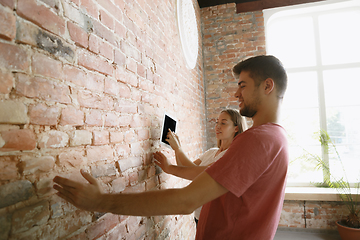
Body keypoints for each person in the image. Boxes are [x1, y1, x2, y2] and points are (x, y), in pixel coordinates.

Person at [53, 55, 289, 240]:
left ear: (267, 86)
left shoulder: (259, 139)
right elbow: (201, 174)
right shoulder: (276, 138)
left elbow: (186, 201)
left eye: (243, 85)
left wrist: (100, 201)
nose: (236, 93)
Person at [154, 109, 245, 224]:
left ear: (236, 128)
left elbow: (199, 174)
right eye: (217, 122)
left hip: (215, 219)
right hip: (200, 215)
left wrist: (175, 155)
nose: (217, 126)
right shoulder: (212, 152)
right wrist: (177, 148)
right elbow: (187, 168)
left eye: (223, 123)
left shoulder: (229, 156)